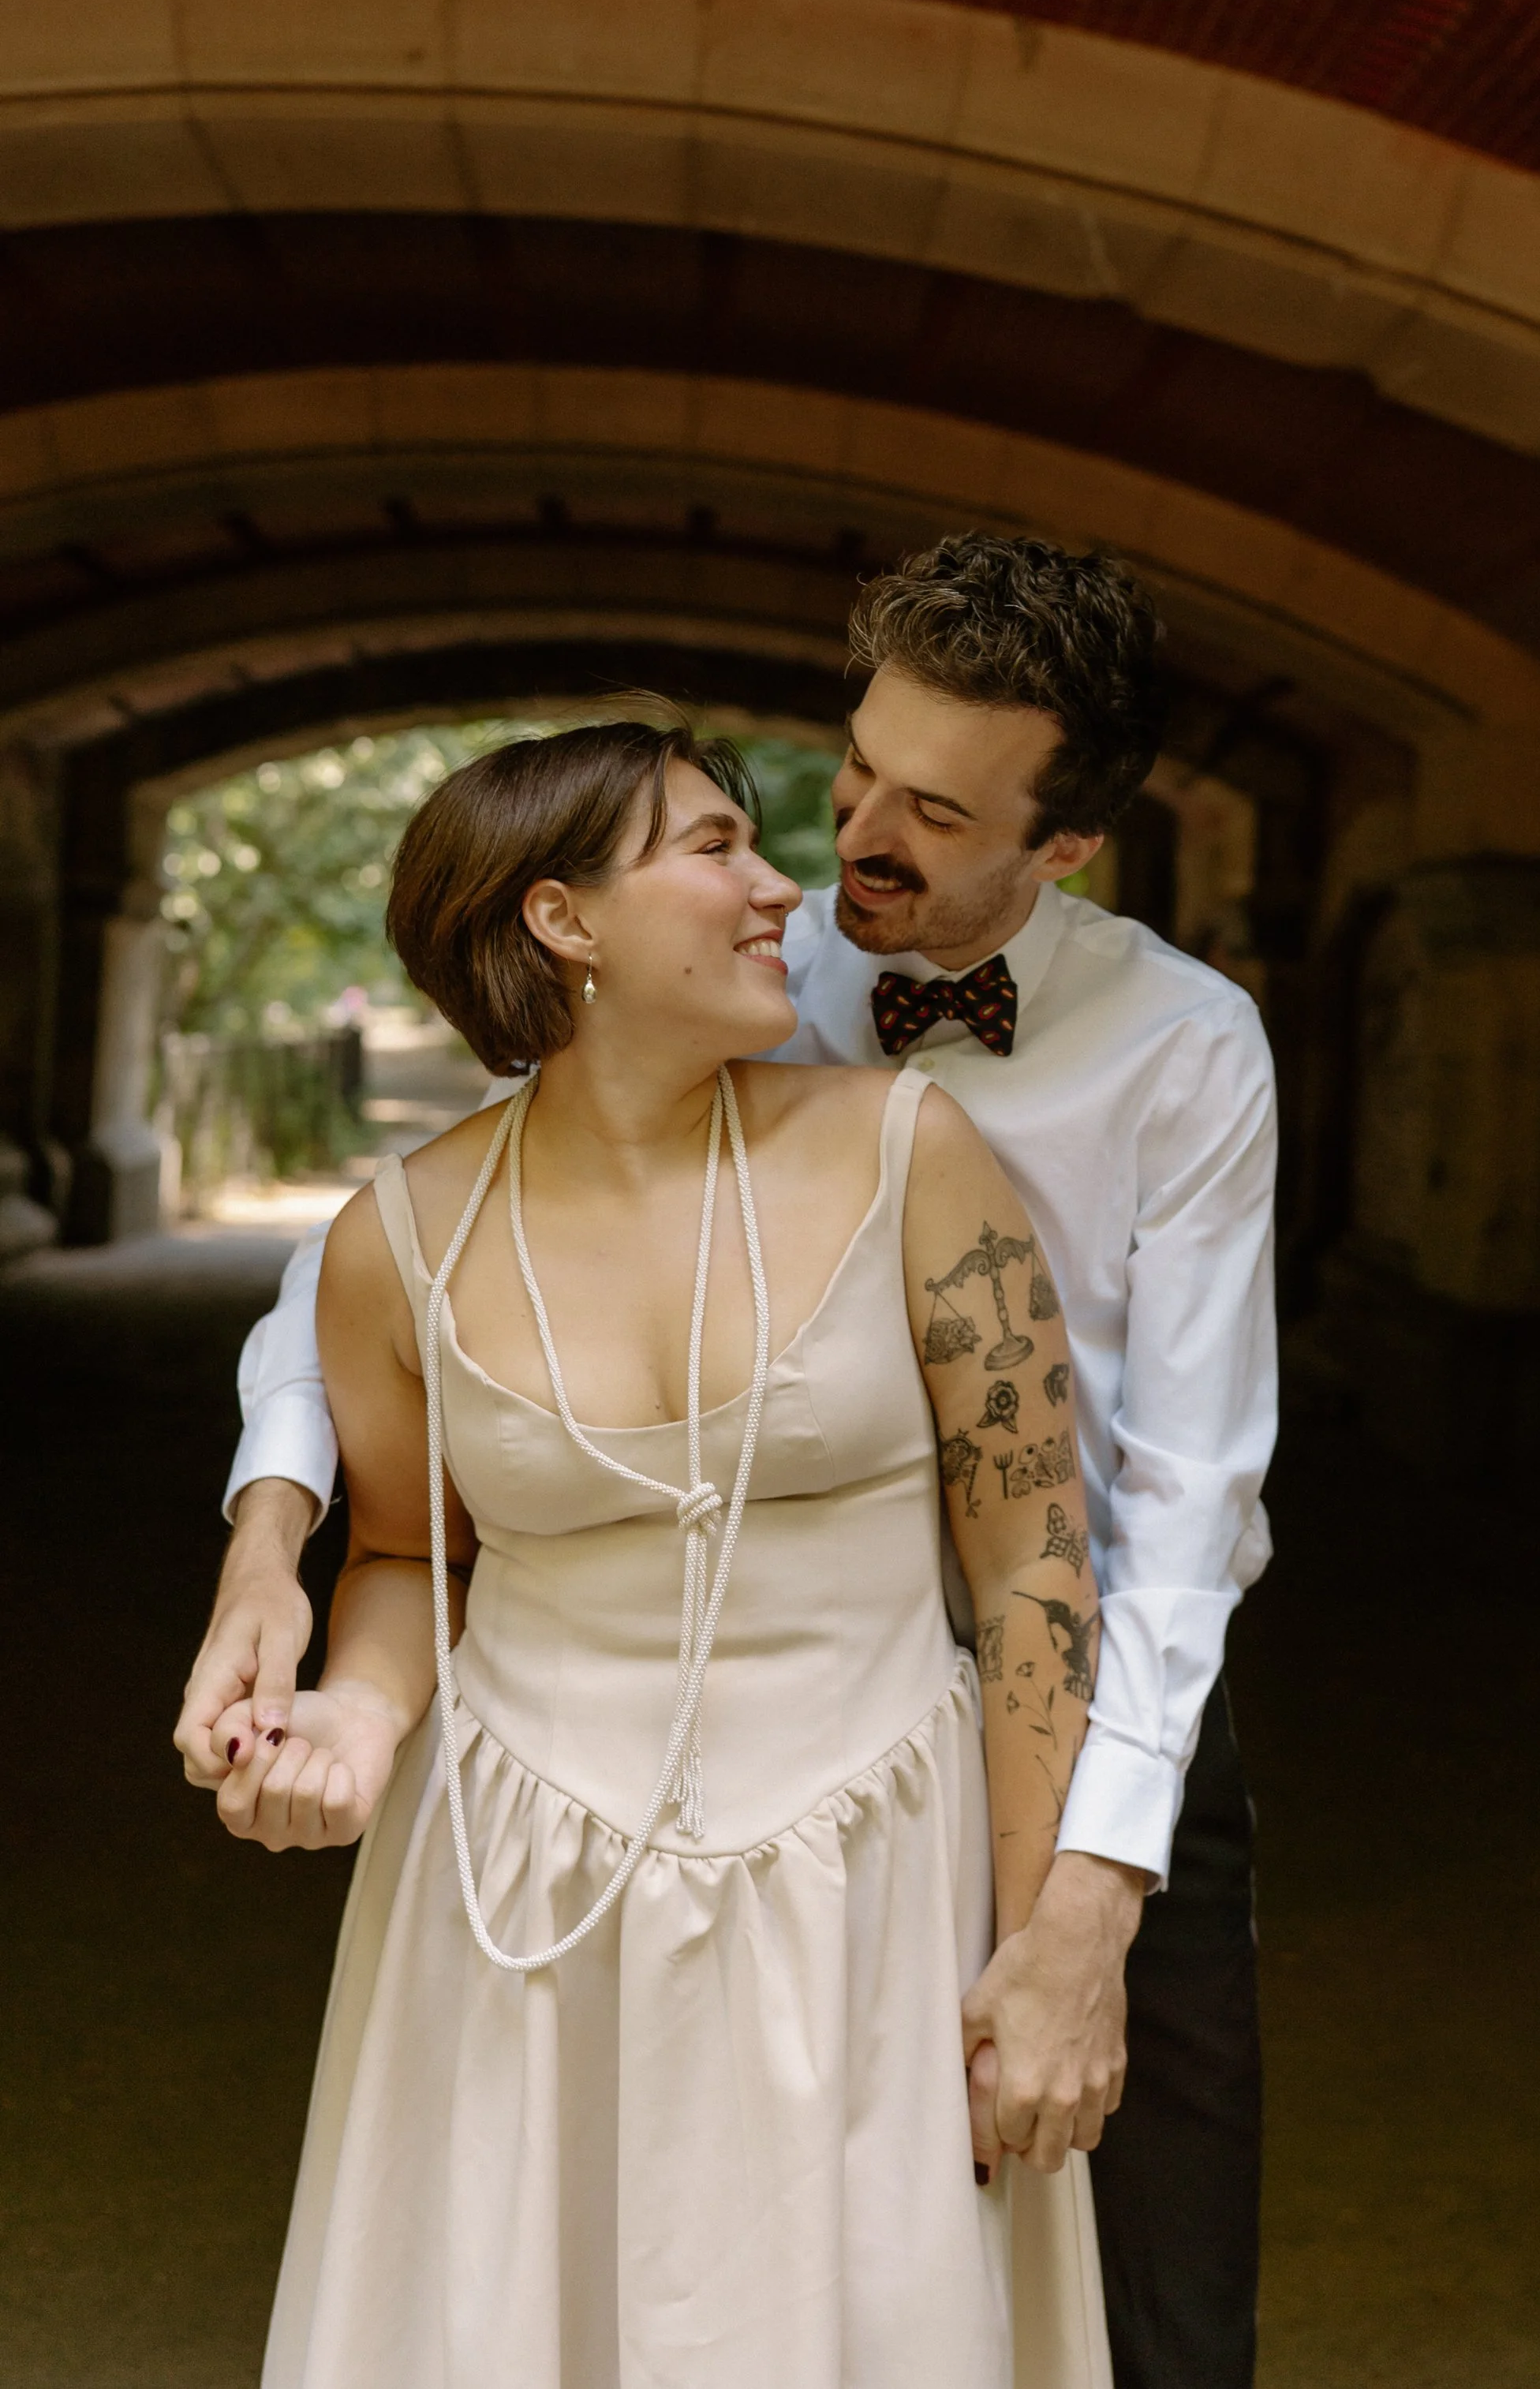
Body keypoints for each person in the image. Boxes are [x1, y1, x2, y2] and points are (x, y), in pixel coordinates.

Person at [181, 534, 1277, 2389]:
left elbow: (1164, 1518)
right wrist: (269, 1545)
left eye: (930, 813)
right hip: (623, 1762)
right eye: (849, 774)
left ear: (1060, 848)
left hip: (1060, 1713)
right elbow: (388, 1286)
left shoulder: (1180, 1050)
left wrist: (1074, 1907)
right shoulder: (745, 969)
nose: (837, 853)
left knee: (1132, 2284)